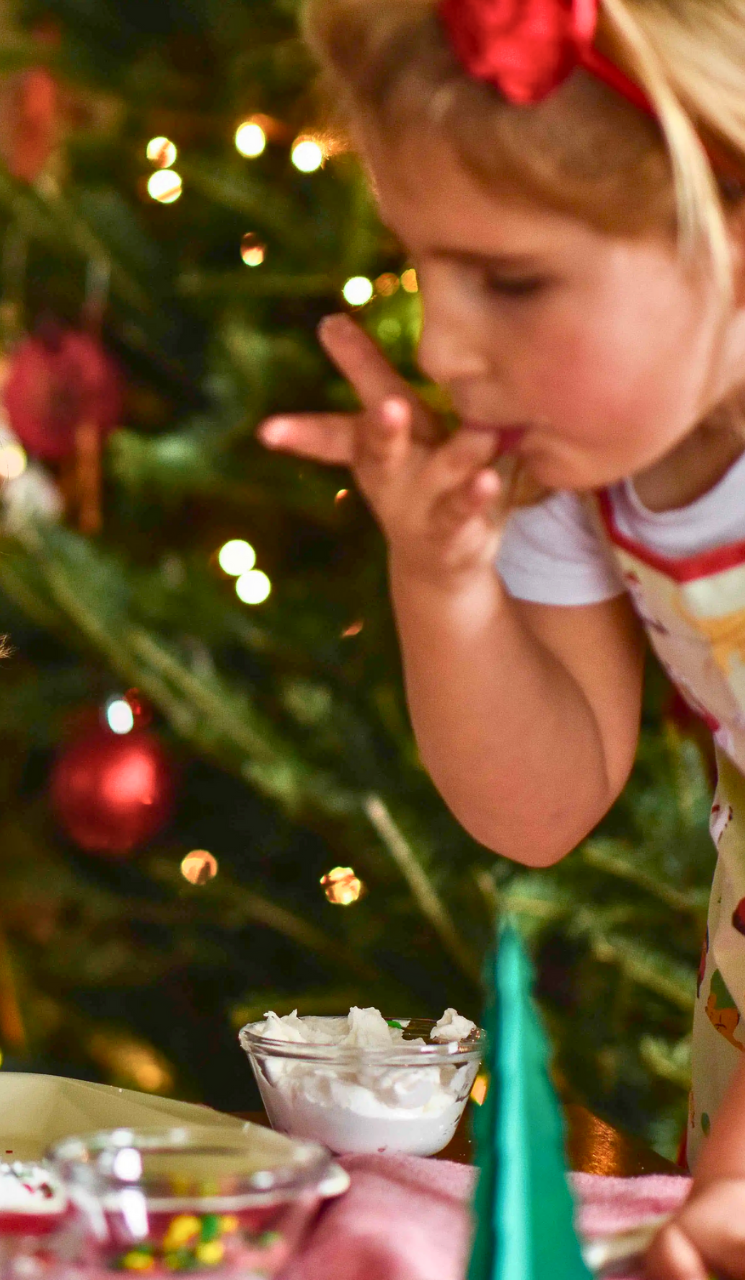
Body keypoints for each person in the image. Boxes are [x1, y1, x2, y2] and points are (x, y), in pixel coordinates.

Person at [262, 0, 745, 1274]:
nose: (448, 346)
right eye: (429, 268)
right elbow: (540, 803)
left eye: (514, 280)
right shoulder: (583, 458)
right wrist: (448, 578)